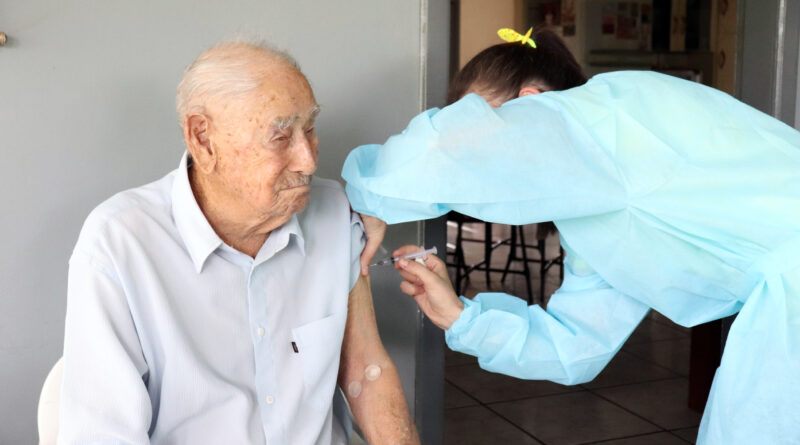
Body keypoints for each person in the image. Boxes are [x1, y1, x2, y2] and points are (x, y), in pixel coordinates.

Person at [344, 29, 800, 444]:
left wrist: (370, 198)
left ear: (531, 101)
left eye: (478, 123)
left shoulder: (605, 116)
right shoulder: (599, 209)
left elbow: (438, 149)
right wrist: (463, 318)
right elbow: (577, 345)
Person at [59, 39, 419, 445]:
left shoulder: (336, 211)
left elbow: (366, 374)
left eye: (310, 128)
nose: (309, 159)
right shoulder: (120, 242)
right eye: (280, 136)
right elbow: (104, 435)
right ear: (202, 139)